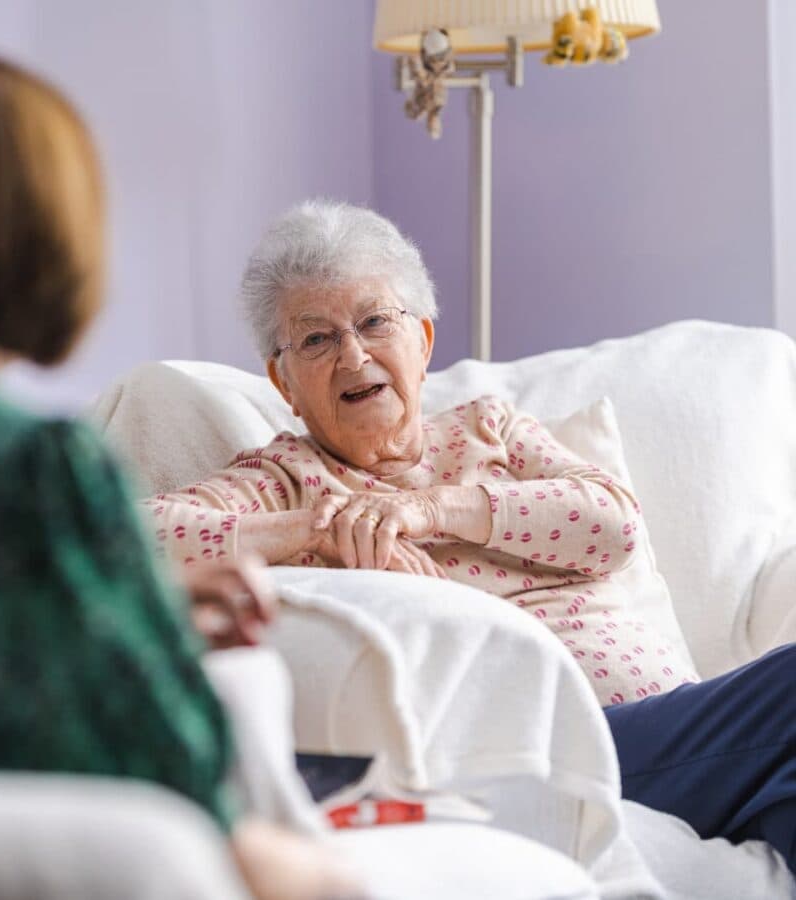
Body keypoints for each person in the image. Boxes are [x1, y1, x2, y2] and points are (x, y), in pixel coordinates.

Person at [0, 54, 361, 900]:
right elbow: (169, 771)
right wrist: (137, 639)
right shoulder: (35, 473)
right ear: (40, 242)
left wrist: (129, 607)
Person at [144, 199, 796, 875]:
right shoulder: (285, 477)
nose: (354, 354)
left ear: (422, 342)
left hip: (682, 727)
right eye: (316, 339)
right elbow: (138, 535)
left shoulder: (490, 429)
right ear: (284, 381)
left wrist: (438, 509)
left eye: (374, 322)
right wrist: (316, 526)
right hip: (546, 746)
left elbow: (613, 523)